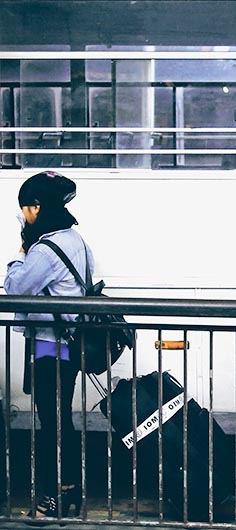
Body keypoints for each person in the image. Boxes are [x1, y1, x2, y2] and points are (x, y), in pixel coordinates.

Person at [4, 171, 90, 520]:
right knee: (60, 421)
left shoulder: (46, 248)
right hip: (67, 345)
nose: (23, 216)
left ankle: (49, 502)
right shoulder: (76, 239)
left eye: (24, 209)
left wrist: (20, 254)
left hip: (48, 346)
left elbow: (16, 288)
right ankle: (69, 491)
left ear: (37, 208)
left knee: (50, 425)